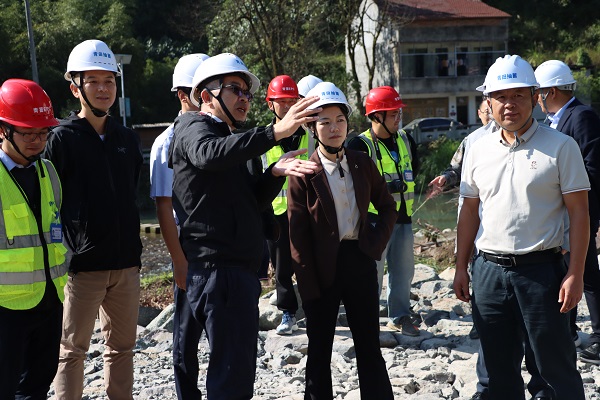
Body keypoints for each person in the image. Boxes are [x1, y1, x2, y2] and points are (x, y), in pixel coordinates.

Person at [168, 52, 320, 399]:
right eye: (235, 89)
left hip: (235, 272)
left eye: (247, 92)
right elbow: (208, 154)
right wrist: (274, 132)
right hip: (217, 270)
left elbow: (252, 202)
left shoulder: (231, 138)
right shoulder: (194, 127)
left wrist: (274, 174)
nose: (244, 98)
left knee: (236, 374)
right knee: (230, 379)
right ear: (206, 96)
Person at [454, 54, 589, 400]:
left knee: (554, 370)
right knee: (496, 371)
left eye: (518, 95)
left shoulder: (561, 146)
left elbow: (579, 214)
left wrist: (575, 273)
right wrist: (460, 267)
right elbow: (469, 212)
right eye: (500, 97)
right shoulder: (477, 148)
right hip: (488, 273)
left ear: (534, 96)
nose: (509, 104)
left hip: (542, 273)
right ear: (488, 102)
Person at [429, 96, 554, 400]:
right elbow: (457, 173)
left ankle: (542, 389)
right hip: (486, 250)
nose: (500, 109)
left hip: (536, 259)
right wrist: (445, 178)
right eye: (491, 106)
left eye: (515, 97)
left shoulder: (549, 141)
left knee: (539, 339)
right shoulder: (474, 142)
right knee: (492, 334)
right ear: (485, 107)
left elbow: (564, 203)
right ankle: (487, 388)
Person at [45, 39, 143, 399]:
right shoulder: (61, 139)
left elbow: (129, 194)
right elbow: (51, 204)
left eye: (109, 81)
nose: (103, 89)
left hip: (126, 265)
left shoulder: (127, 139)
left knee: (122, 349)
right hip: (81, 268)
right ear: (76, 88)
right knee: (71, 351)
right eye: (94, 82)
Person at [287, 81, 396, 400]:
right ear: (312, 127)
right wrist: (307, 284)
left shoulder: (361, 163)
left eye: (340, 120)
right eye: (325, 122)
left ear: (348, 123)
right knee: (319, 348)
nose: (334, 128)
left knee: (369, 345)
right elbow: (297, 235)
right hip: (321, 267)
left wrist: (375, 243)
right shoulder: (304, 173)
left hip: (359, 258)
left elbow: (387, 206)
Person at [0, 79, 68, 400]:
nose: (37, 141)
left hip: (49, 301)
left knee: (36, 388)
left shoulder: (48, 171)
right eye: (28, 133)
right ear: (3, 130)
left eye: (43, 133)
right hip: (6, 308)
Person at [149, 53, 208, 398]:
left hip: (218, 248)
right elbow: (164, 206)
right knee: (186, 336)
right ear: (183, 95)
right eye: (199, 91)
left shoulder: (220, 134)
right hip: (187, 247)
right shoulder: (166, 142)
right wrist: (178, 260)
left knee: (224, 334)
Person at [535, 59, 600, 363]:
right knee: (566, 270)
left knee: (586, 273)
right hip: (563, 212)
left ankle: (598, 338)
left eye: (538, 93)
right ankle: (569, 330)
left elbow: (592, 168)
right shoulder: (556, 120)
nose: (537, 99)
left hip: (579, 210)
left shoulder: (581, 116)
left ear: (550, 91)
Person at [347, 85, 420, 336]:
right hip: (374, 221)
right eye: (393, 113)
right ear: (377, 116)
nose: (399, 118)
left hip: (403, 217)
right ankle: (365, 319)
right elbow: (353, 185)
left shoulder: (406, 139)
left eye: (399, 112)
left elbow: (414, 170)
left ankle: (399, 316)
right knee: (371, 273)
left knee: (403, 271)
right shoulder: (360, 145)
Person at [261, 75, 315, 335]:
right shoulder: (262, 140)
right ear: (270, 104)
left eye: (292, 101)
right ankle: (288, 313)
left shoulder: (311, 136)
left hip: (307, 212)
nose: (287, 106)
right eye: (281, 101)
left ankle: (315, 310)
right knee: (281, 267)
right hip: (276, 214)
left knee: (310, 264)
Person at [428, 98, 491, 199]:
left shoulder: (513, 137)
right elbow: (457, 169)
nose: (491, 116)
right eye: (487, 112)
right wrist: (445, 178)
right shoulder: (471, 140)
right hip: (479, 201)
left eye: (493, 112)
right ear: (479, 114)